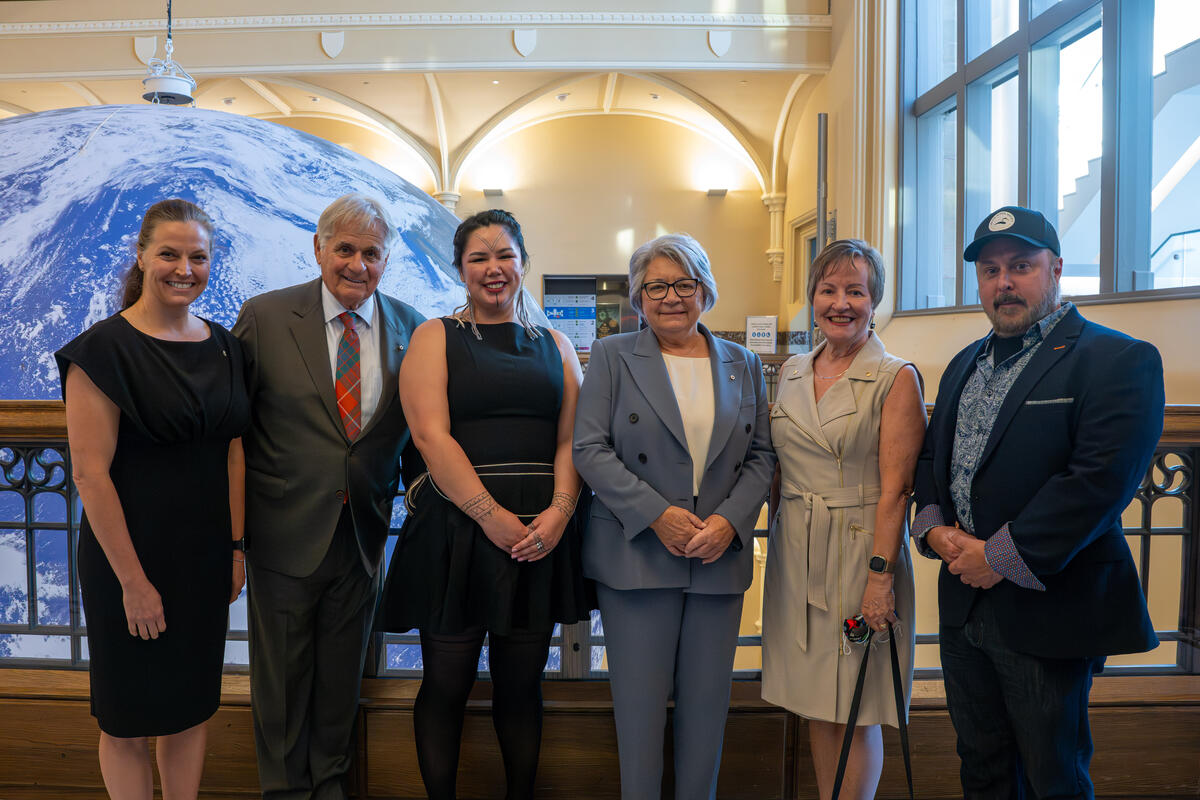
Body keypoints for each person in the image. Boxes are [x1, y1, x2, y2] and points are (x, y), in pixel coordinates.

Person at [913, 206, 1162, 799]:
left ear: (1054, 268)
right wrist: (934, 532)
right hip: (963, 606)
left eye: (1021, 266)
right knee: (982, 765)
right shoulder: (963, 363)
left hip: (1051, 606)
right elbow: (930, 463)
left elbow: (1098, 483)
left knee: (1054, 774)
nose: (1004, 283)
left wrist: (996, 557)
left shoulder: (1116, 359)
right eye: (991, 270)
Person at [379, 209, 592, 800]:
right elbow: (429, 436)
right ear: (460, 269)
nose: (493, 269)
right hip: (458, 529)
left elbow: (570, 439)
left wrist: (559, 512)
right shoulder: (434, 336)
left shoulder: (556, 345)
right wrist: (489, 516)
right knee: (445, 682)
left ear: (523, 263)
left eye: (504, 256)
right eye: (479, 258)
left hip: (540, 531)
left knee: (522, 686)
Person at [231, 193, 425, 799]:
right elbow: (231, 431)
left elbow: (421, 432)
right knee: (283, 687)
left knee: (343, 683)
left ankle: (332, 788)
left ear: (386, 261)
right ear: (318, 250)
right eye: (344, 249)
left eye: (371, 252)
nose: (357, 264)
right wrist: (231, 540)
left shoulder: (409, 325)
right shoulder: (264, 318)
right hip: (283, 535)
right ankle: (285, 793)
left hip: (363, 537)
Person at [56, 198, 249, 800]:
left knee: (191, 707)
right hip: (127, 560)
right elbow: (91, 475)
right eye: (169, 253)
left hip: (204, 556)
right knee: (127, 717)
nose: (183, 268)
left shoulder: (226, 346)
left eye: (198, 256)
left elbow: (233, 453)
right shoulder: (102, 351)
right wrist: (134, 584)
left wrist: (237, 548)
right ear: (141, 257)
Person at [572, 233, 775, 800]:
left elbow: (761, 455)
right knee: (638, 720)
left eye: (683, 284)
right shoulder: (612, 356)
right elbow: (589, 449)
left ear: (704, 291)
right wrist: (656, 514)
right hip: (636, 558)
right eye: (655, 286)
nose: (670, 297)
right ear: (638, 297)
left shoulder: (744, 363)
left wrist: (731, 522)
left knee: (707, 717)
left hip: (716, 560)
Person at [760, 239, 926, 800]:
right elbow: (778, 466)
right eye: (828, 289)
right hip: (796, 553)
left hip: (860, 556)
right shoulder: (790, 372)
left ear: (874, 300)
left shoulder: (894, 377)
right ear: (812, 297)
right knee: (816, 701)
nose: (840, 302)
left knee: (856, 705)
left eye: (855, 290)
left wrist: (880, 579)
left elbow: (897, 490)